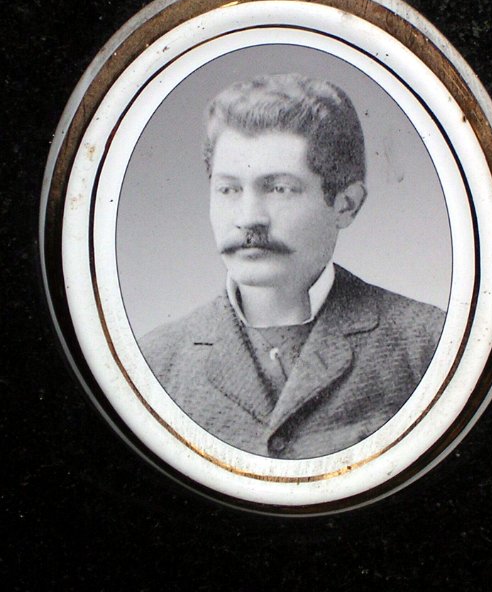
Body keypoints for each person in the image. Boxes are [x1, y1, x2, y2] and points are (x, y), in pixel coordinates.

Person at [140, 74, 445, 459]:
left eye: (279, 188)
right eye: (229, 189)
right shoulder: (155, 362)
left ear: (345, 205)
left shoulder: (429, 345)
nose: (248, 218)